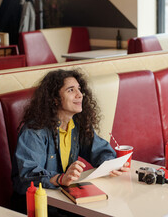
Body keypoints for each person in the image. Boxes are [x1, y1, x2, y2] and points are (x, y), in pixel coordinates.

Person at [11, 69, 129, 214]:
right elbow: (29, 176)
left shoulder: (77, 124)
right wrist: (60, 178)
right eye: (71, 90)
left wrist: (112, 164)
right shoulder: (34, 131)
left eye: (79, 89)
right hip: (34, 204)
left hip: (64, 199)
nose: (79, 95)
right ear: (54, 99)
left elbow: (99, 150)